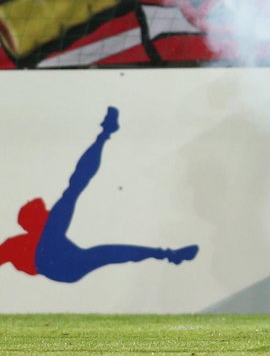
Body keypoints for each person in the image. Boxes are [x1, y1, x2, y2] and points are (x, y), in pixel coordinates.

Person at [0, 107, 198, 282]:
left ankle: (169, 255)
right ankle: (105, 134)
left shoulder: (48, 235)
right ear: (31, 221)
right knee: (72, 193)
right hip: (54, 266)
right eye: (42, 213)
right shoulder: (21, 243)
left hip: (73, 265)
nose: (47, 213)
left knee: (106, 251)